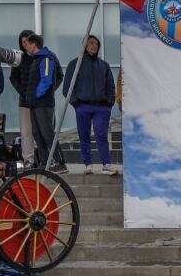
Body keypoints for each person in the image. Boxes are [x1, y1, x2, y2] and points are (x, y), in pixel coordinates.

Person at [62, 35, 117, 175]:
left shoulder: (104, 65)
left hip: (101, 107)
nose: (94, 46)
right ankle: (88, 165)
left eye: (96, 44)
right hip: (83, 106)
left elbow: (111, 86)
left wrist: (109, 104)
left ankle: (106, 164)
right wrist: (76, 104)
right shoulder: (74, 64)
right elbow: (67, 87)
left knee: (101, 134)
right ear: (84, 46)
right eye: (91, 43)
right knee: (84, 135)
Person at [24, 33, 67, 173]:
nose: (26, 47)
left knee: (47, 133)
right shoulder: (35, 59)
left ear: (34, 44)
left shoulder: (46, 58)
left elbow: (46, 79)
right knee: (37, 133)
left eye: (27, 44)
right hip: (34, 104)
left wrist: (37, 95)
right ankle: (44, 162)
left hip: (43, 104)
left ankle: (60, 163)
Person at [9, 30, 37, 167]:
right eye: (23, 42)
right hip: (25, 102)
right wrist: (22, 91)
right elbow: (13, 78)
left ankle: (44, 158)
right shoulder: (19, 58)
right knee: (26, 132)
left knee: (42, 131)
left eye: (28, 41)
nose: (26, 44)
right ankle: (29, 159)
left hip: (41, 103)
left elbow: (56, 76)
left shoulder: (41, 57)